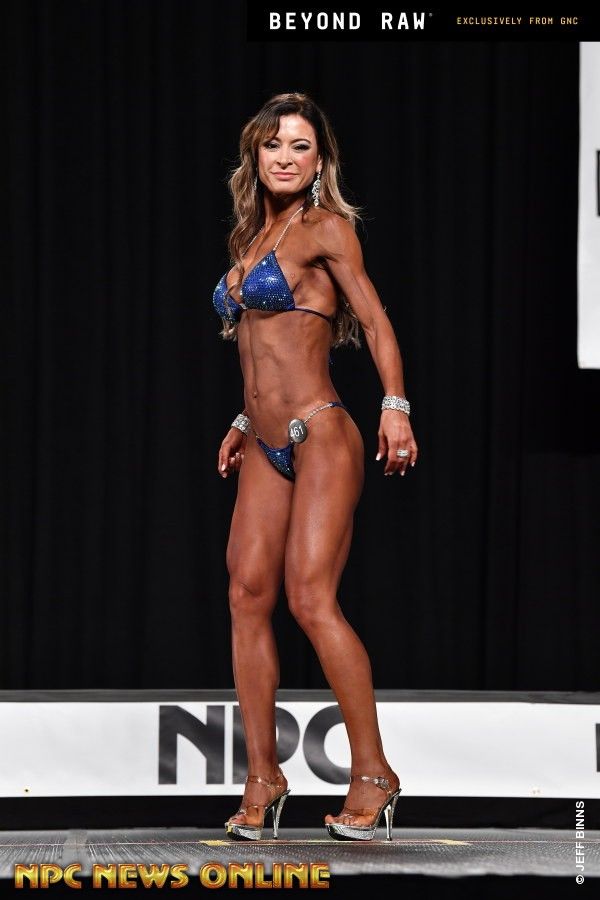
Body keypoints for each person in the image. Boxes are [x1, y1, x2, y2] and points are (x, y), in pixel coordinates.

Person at [212, 92, 418, 842]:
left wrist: (395, 404)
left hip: (320, 432)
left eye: (300, 146)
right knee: (245, 596)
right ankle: (263, 774)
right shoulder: (252, 234)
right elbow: (261, 347)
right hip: (265, 441)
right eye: (273, 145)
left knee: (309, 598)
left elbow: (375, 319)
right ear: (256, 155)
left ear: (319, 160)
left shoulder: (325, 227)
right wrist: (244, 420)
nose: (285, 158)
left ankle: (374, 772)